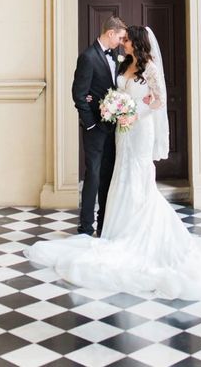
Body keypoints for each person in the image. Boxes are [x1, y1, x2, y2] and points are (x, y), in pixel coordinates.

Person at [25, 26, 201, 300]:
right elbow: (113, 91)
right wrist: (116, 109)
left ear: (137, 43)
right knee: (122, 174)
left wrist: (134, 113)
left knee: (139, 175)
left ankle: (142, 232)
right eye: (123, 39)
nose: (123, 43)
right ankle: (117, 229)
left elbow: (160, 101)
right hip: (123, 131)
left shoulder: (150, 68)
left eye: (127, 40)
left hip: (140, 129)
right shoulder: (125, 63)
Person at [71, 16, 127, 237]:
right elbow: (79, 94)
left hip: (113, 128)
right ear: (110, 33)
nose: (121, 42)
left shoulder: (115, 55)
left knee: (108, 176)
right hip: (95, 129)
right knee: (92, 175)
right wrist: (91, 124)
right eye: (120, 37)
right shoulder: (87, 57)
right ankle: (85, 227)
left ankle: (104, 224)